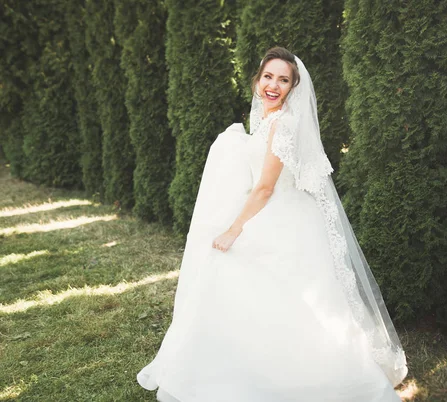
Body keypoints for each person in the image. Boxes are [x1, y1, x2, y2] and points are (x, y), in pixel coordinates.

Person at [137, 47, 407, 401]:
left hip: (280, 218)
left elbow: (265, 188)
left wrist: (235, 229)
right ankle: (238, 369)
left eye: (283, 80)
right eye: (268, 77)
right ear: (257, 79)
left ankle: (297, 378)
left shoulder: (284, 125)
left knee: (267, 293)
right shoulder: (266, 120)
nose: (273, 85)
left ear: (294, 87)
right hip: (267, 210)